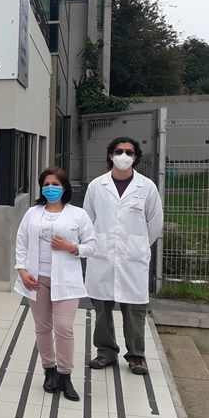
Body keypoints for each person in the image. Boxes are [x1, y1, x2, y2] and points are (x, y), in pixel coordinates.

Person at [14, 167, 97, 401]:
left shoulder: (78, 215)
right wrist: (22, 271)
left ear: (64, 187)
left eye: (56, 184)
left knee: (63, 327)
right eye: (46, 185)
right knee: (42, 327)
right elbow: (21, 243)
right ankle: (49, 370)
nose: (51, 188)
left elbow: (92, 246)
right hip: (36, 279)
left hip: (66, 280)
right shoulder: (32, 213)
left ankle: (65, 375)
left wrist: (71, 247)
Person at [83, 137, 163, 375]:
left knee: (135, 309)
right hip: (102, 256)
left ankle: (136, 356)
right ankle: (106, 352)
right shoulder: (97, 186)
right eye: (119, 151)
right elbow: (88, 220)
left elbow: (154, 223)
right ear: (110, 155)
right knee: (102, 309)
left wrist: (137, 245)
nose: (124, 156)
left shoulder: (147, 187)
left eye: (129, 152)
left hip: (133, 259)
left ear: (136, 157)